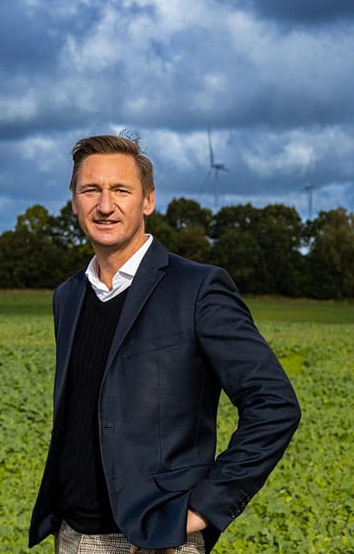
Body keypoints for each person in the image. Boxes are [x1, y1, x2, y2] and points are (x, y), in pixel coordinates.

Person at [28, 133, 301, 554]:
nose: (105, 205)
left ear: (148, 201)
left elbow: (274, 404)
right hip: (72, 535)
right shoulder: (69, 296)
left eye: (121, 190)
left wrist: (204, 509)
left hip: (158, 540)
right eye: (91, 190)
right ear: (74, 202)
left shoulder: (197, 288)